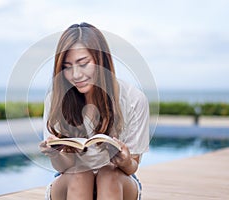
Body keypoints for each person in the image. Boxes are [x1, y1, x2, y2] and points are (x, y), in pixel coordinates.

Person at [39, 22, 149, 200]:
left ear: (101, 61)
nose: (75, 75)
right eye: (67, 67)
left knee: (108, 174)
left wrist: (125, 161)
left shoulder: (133, 99)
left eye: (83, 64)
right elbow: (63, 168)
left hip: (118, 181)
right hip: (71, 180)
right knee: (80, 174)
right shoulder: (56, 99)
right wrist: (55, 154)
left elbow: (132, 167)